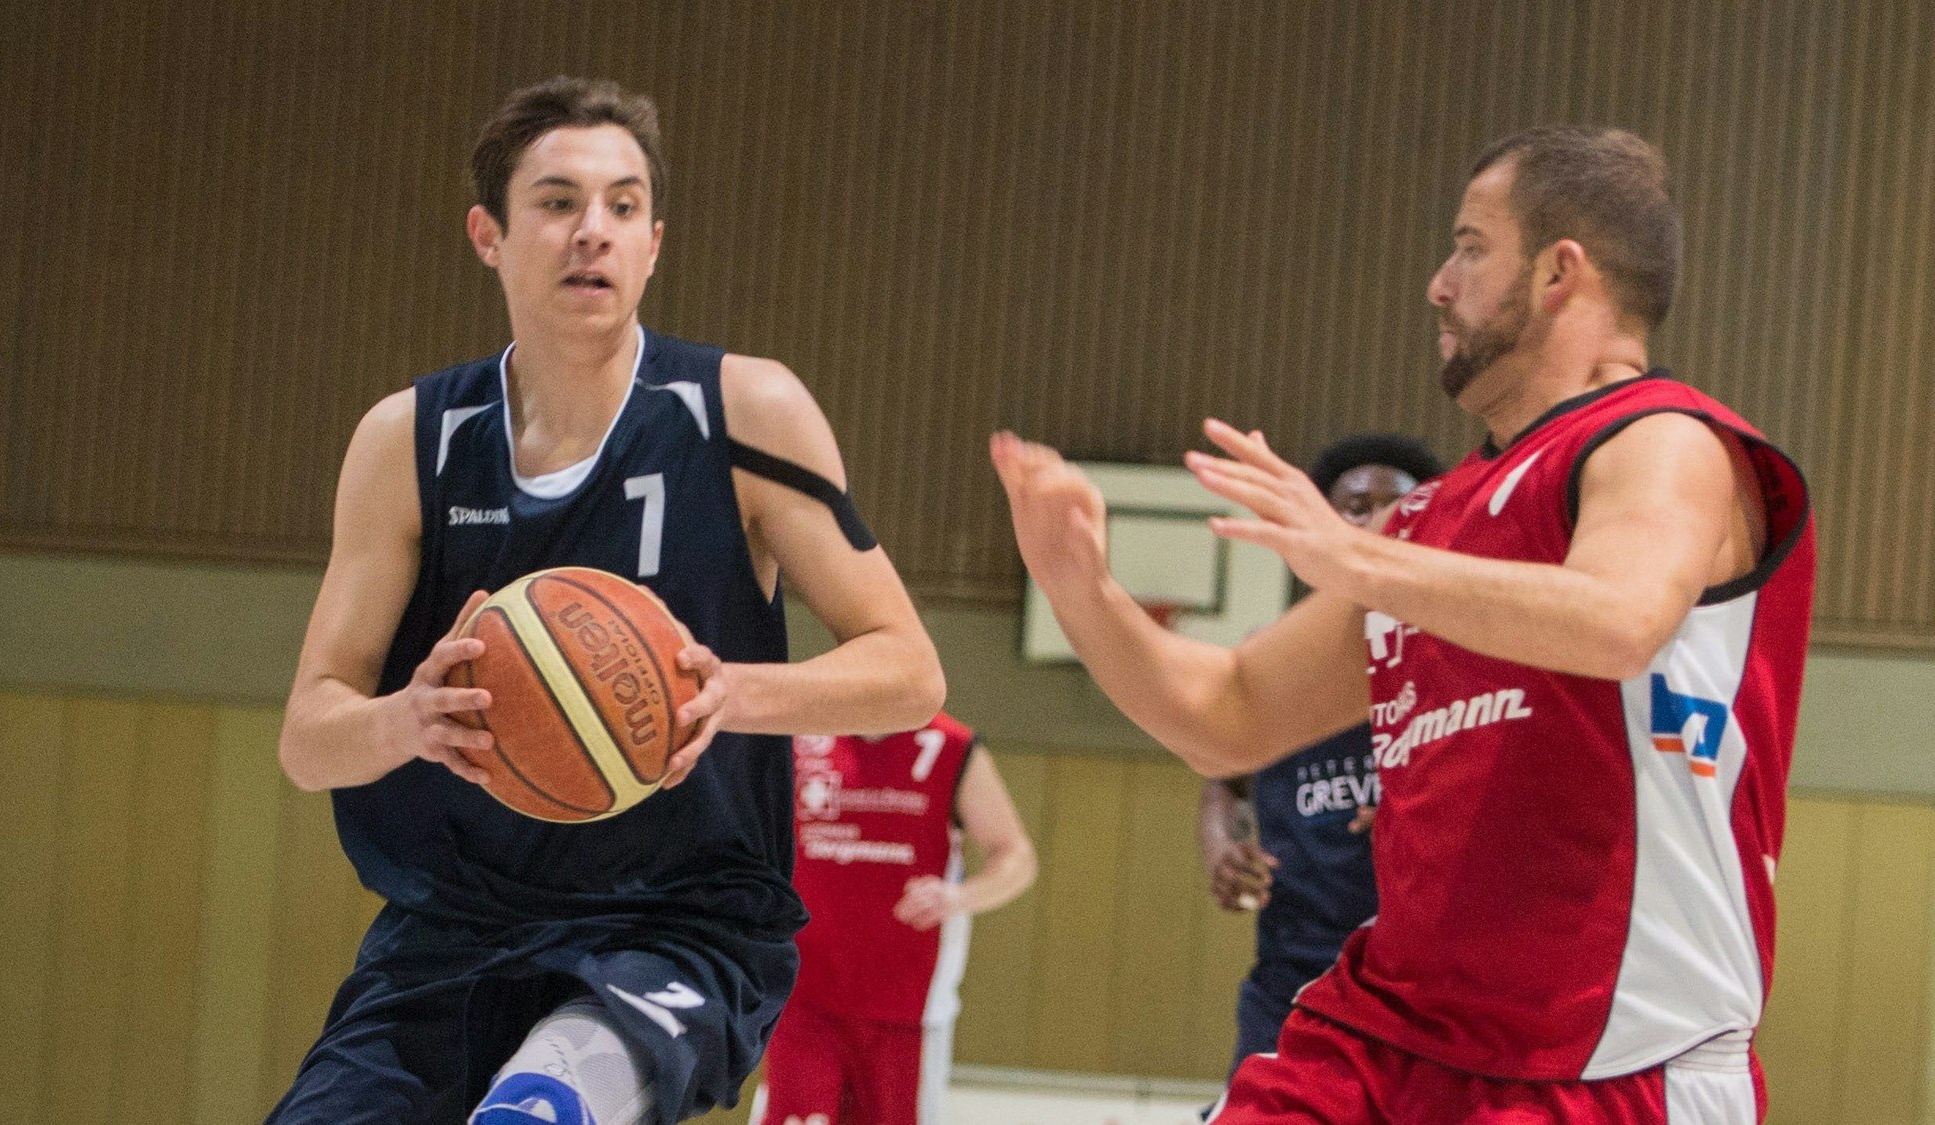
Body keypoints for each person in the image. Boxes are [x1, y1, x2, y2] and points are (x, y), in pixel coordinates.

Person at [993, 126, 1813, 1122]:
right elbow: (1228, 714)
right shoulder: (1425, 522)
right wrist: (1083, 588)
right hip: (1386, 1040)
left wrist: (1355, 559)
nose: (1437, 284)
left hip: (1610, 1059)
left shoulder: (1663, 440)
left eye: (1470, 247)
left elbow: (1618, 620)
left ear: (1559, 272)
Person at [271, 77, 944, 1125]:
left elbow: (909, 671)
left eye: (623, 206)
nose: (593, 230)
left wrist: (726, 694)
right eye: (557, 202)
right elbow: (309, 740)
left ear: (653, 243)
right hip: (457, 925)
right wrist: (410, 719)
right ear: (488, 235)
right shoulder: (409, 441)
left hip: (675, 922)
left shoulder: (743, 410)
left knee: (538, 1113)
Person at [1198, 434, 1441, 1075]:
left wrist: (1425, 820)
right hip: (1294, 973)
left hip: (1424, 984)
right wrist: (1223, 847)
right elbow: (1226, 779)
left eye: (1398, 507)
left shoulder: (1455, 655)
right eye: (1357, 507)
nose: (1377, 522)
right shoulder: (1277, 654)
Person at [755, 712, 1037, 1125]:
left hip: (907, 1010)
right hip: (803, 999)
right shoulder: (800, 736)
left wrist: (959, 897)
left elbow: (1016, 856)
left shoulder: (950, 745)